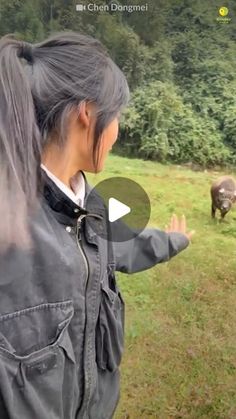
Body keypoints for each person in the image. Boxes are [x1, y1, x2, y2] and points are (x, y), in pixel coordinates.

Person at [0, 31, 194, 419]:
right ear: (87, 112)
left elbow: (125, 245)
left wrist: (175, 241)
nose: (118, 130)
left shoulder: (94, 208)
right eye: (117, 115)